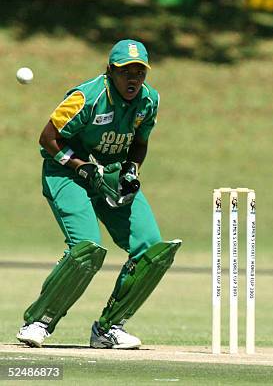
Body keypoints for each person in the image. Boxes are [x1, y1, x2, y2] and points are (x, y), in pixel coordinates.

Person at [16, 39, 182, 349]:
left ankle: (108, 329)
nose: (133, 79)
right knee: (87, 248)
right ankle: (39, 322)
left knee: (151, 250)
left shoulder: (149, 100)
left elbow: (140, 142)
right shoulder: (85, 98)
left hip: (111, 173)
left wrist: (132, 170)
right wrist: (80, 166)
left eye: (139, 72)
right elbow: (48, 138)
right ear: (110, 71)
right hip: (66, 172)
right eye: (125, 72)